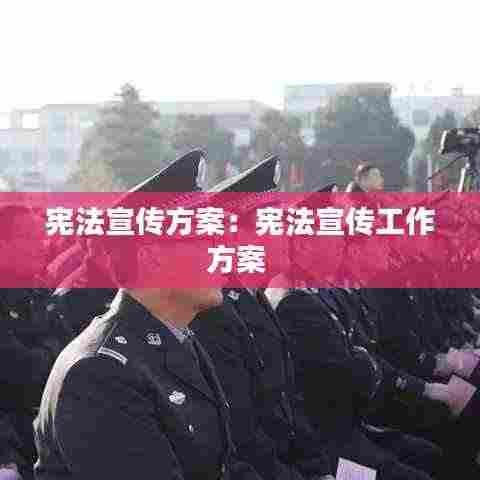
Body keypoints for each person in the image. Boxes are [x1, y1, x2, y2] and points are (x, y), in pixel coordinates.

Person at [34, 153, 262, 480]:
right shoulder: (100, 372)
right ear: (152, 256)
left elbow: (226, 465)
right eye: (207, 240)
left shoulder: (179, 337)